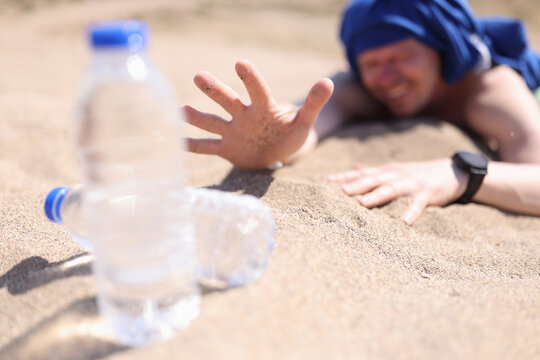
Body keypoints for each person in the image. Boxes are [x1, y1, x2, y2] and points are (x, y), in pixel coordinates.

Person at [183, 0, 540, 225]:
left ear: (441, 48)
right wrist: (276, 148)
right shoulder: (362, 88)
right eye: (371, 63)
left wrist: (462, 175)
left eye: (401, 56)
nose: (386, 78)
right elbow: (304, 127)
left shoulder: (490, 90)